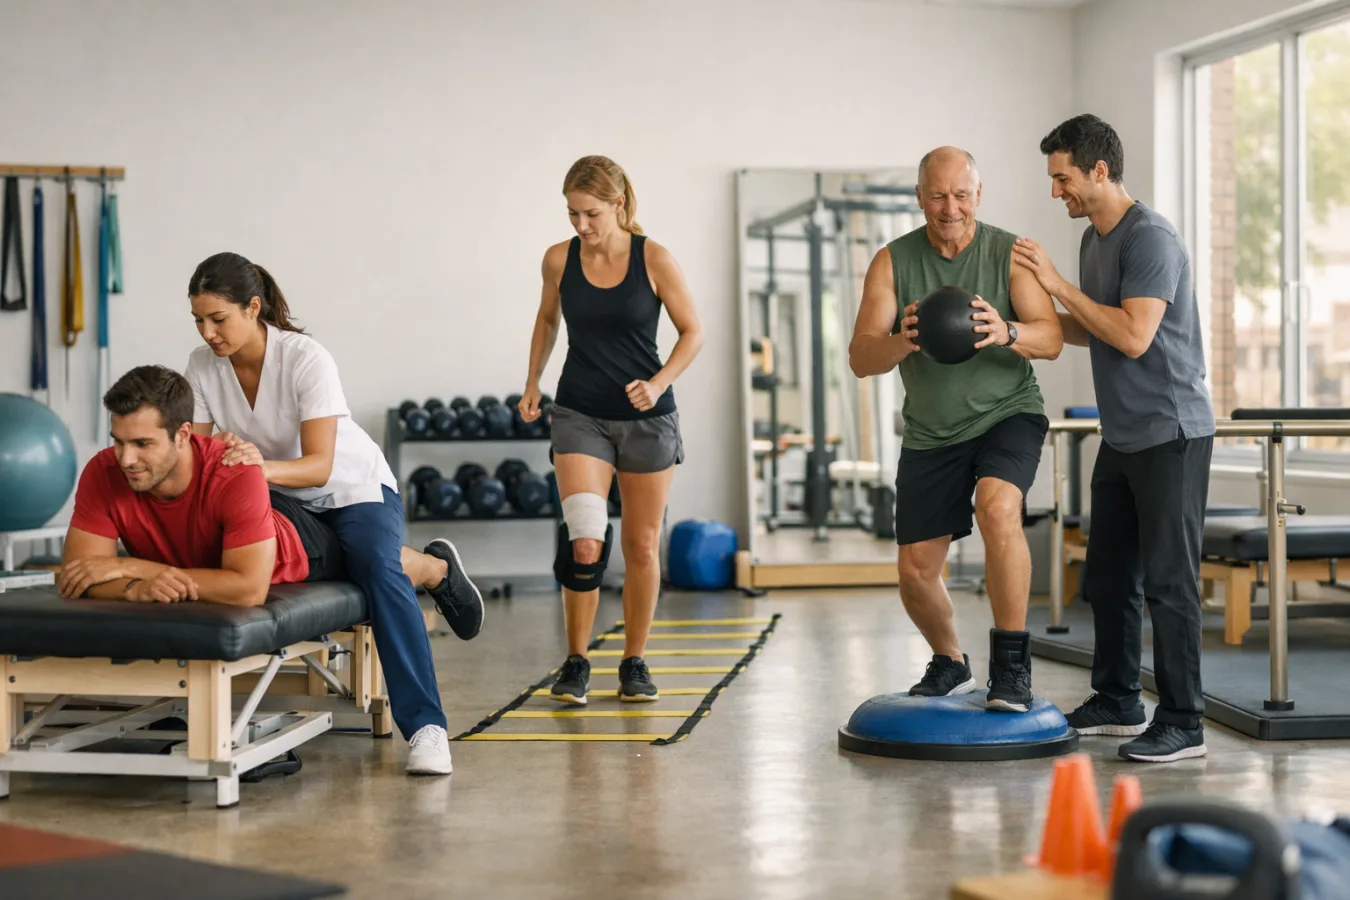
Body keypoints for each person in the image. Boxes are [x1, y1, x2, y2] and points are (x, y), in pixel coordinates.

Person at [182, 251, 483, 776]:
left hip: (352, 489)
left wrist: (250, 467)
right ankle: (430, 567)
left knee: (376, 570)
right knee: (324, 557)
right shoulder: (202, 366)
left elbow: (319, 466)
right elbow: (203, 459)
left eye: (218, 318)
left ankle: (428, 727)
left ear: (253, 308)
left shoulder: (304, 358)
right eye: (199, 321)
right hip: (278, 492)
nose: (208, 332)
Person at [1015, 114, 1213, 763]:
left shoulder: (1150, 238)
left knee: (1169, 582)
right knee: (1106, 576)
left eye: (1062, 177)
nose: (1056, 192)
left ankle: (1184, 721)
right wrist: (1027, 325)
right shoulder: (1092, 241)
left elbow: (1133, 335)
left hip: (1170, 432)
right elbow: (1095, 325)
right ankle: (1118, 699)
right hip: (1124, 435)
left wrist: (1055, 286)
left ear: (1099, 170)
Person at [849, 146, 1064, 713]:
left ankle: (1012, 668)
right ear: (920, 197)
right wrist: (905, 340)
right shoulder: (892, 262)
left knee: (997, 508)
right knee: (917, 572)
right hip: (931, 430)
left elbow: (1052, 339)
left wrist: (1007, 331)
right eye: (938, 195)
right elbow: (861, 358)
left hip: (1006, 412)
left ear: (978, 194)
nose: (950, 208)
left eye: (961, 195)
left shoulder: (1007, 254)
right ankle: (951, 661)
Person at [517, 155, 703, 706]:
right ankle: (576, 661)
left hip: (648, 419)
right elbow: (547, 319)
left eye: (591, 213)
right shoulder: (559, 259)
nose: (581, 225)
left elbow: (693, 332)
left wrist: (660, 379)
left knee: (643, 545)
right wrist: (532, 382)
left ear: (618, 204)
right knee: (585, 536)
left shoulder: (654, 258)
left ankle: (634, 661)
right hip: (580, 413)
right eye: (573, 213)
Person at [58, 365, 344, 608]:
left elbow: (249, 590)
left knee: (356, 555)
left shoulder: (236, 472)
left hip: (296, 544)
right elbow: (78, 576)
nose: (126, 459)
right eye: (119, 441)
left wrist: (130, 567)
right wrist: (135, 588)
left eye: (142, 443)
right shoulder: (103, 470)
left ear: (183, 434)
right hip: (212, 534)